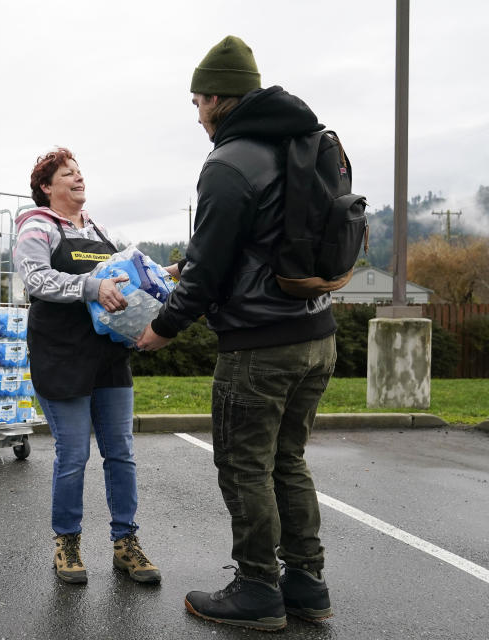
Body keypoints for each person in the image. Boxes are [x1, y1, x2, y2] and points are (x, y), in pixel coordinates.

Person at [137, 36, 336, 630]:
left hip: (258, 345)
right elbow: (255, 240)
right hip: (316, 334)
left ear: (219, 98)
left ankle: (257, 590)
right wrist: (188, 263)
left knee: (246, 467)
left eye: (198, 101)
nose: (197, 113)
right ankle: (306, 584)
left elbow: (213, 269)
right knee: (288, 461)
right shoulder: (305, 142)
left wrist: (163, 328)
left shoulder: (227, 163)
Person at [14, 147, 161, 585]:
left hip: (109, 356)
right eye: (67, 174)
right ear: (46, 187)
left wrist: (166, 275)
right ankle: (68, 543)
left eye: (80, 172)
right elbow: (36, 278)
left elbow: (128, 274)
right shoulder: (37, 226)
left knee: (121, 453)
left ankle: (125, 543)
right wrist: (92, 286)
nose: (79, 178)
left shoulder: (99, 229)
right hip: (61, 355)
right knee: (74, 455)